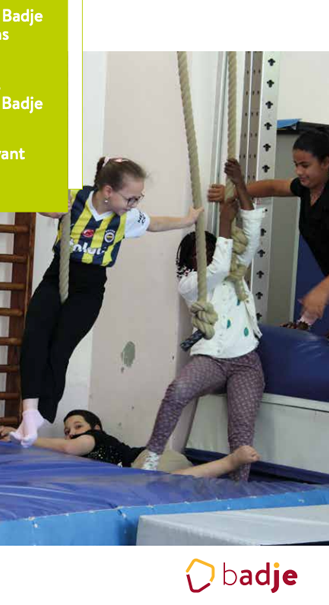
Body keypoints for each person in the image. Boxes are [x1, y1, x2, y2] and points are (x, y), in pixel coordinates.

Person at [11, 156, 203, 447]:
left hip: (89, 288)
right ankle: (29, 412)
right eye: (130, 198)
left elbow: (155, 224)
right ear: (108, 191)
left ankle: (42, 412)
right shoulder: (75, 198)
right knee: (34, 338)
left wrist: (186, 221)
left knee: (59, 349)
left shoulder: (126, 217)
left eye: (138, 198)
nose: (134, 204)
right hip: (57, 276)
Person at [141, 159, 265, 481]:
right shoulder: (190, 284)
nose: (204, 256)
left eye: (208, 249)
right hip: (211, 359)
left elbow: (251, 231)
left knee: (242, 429)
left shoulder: (234, 270)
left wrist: (240, 185)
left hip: (245, 361)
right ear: (187, 261)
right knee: (178, 390)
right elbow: (217, 268)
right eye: (196, 254)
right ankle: (152, 456)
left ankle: (239, 486)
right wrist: (224, 221)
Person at [208, 129, 329, 323]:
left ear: (325, 162)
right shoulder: (307, 188)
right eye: (296, 165)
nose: (299, 171)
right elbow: (272, 187)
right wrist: (232, 192)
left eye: (305, 166)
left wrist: (322, 290)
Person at [0, 409, 260, 479]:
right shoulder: (81, 454)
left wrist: (22, 437)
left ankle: (230, 461)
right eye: (67, 431)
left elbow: (67, 448)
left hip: (148, 459)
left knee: (168, 481)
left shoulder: (96, 438)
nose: (71, 433)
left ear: (96, 429)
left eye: (78, 426)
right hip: (139, 470)